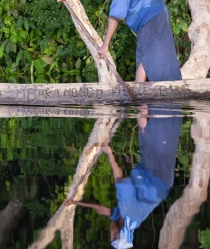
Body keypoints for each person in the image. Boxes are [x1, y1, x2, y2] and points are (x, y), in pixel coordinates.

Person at [56, 0, 182, 82]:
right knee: (150, 53)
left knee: (146, 54)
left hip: (152, 15)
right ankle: (151, 95)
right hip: (156, 12)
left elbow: (115, 17)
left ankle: (142, 94)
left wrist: (105, 45)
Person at [64, 105, 182, 248]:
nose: (110, 233)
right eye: (113, 235)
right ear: (118, 232)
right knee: (146, 134)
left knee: (154, 138)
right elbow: (120, 179)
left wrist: (75, 203)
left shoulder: (125, 220)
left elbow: (102, 209)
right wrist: (109, 154)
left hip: (159, 181)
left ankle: (159, 107)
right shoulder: (128, 213)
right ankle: (149, 105)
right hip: (155, 178)